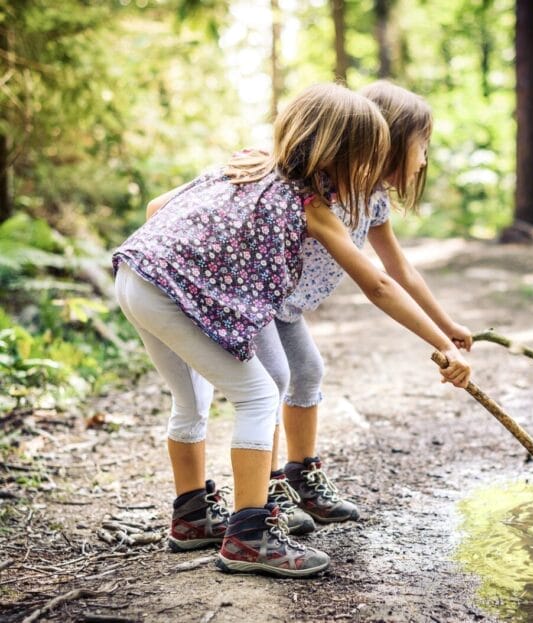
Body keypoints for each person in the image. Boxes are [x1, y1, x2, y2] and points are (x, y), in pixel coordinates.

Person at [113, 82, 471, 578]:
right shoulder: (311, 204)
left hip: (137, 273)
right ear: (345, 154)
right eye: (368, 156)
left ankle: (192, 516)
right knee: (260, 395)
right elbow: (380, 285)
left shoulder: (253, 169)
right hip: (170, 293)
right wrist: (440, 342)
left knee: (193, 400)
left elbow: (157, 210)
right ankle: (250, 536)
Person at [256, 80, 474, 536]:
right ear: (388, 142)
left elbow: (400, 270)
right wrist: (438, 342)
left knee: (308, 372)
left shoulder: (372, 199)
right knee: (273, 380)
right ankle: (267, 486)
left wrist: (447, 325)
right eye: (422, 146)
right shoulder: (320, 190)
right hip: (257, 298)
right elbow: (377, 284)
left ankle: (301, 475)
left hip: (287, 308)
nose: (425, 159)